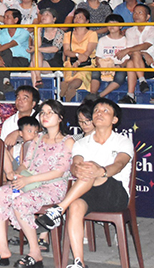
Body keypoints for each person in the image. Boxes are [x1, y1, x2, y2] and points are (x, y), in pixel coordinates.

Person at [36, 99, 134, 268]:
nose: (99, 114)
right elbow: (75, 165)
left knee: (92, 169)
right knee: (75, 206)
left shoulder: (122, 141)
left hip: (115, 194)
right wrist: (78, 169)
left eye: (105, 111)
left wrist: (100, 171)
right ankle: (79, 262)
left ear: (114, 120)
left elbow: (119, 165)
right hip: (89, 192)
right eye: (96, 111)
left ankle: (59, 209)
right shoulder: (81, 143)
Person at [0, 100, 75, 268]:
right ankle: (3, 249)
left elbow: (59, 172)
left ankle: (35, 252)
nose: (45, 116)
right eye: (43, 113)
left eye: (50, 113)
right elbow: (26, 164)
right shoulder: (38, 138)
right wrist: (18, 174)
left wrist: (28, 180)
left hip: (52, 187)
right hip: (29, 182)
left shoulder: (68, 141)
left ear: (60, 117)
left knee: (21, 201)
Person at [0, 9, 32, 99]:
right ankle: (5, 82)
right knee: (2, 57)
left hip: (21, 60)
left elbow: (11, 44)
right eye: (4, 17)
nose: (5, 19)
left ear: (16, 20)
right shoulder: (0, 33)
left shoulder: (24, 32)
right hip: (5, 60)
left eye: (8, 17)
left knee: (6, 50)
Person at [59, 9, 98, 102]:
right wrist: (76, 55)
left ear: (87, 21)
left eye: (80, 17)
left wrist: (78, 62)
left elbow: (87, 53)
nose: (77, 19)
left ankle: (66, 95)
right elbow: (67, 51)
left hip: (86, 63)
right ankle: (67, 92)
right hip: (71, 62)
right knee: (71, 78)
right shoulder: (68, 34)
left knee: (79, 79)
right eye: (75, 17)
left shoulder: (92, 34)